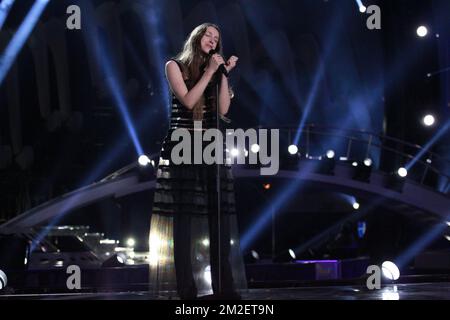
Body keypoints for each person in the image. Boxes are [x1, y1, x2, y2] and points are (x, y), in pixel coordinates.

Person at [149, 23, 247, 300]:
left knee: (219, 217)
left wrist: (224, 74)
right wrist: (210, 72)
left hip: (211, 146)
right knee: (184, 220)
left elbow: (224, 110)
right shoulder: (174, 66)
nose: (213, 41)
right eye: (209, 35)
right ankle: (186, 292)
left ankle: (224, 289)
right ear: (197, 37)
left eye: (217, 38)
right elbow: (190, 101)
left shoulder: (215, 72)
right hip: (182, 146)